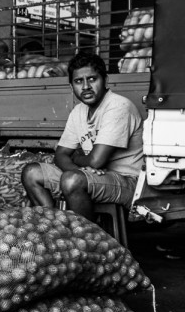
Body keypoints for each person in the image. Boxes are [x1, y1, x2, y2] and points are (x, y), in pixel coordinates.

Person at [21, 52, 143, 224]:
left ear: (105, 80)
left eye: (92, 79)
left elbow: (95, 161)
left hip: (127, 181)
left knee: (72, 180)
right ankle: (52, 227)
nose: (85, 86)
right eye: (78, 81)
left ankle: (87, 240)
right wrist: (82, 169)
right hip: (95, 176)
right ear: (71, 86)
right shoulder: (78, 111)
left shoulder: (118, 106)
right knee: (31, 172)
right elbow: (61, 155)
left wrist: (78, 161)